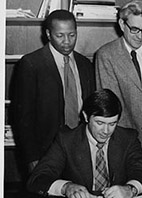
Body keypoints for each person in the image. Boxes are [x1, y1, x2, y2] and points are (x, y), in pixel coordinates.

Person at [13, 9, 95, 172]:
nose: (67, 42)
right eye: (60, 35)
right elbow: (23, 118)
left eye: (72, 35)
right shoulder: (31, 64)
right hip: (46, 151)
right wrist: (32, 157)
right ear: (49, 34)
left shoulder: (85, 64)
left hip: (82, 149)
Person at [27, 89, 142, 198]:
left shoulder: (128, 138)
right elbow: (38, 179)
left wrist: (130, 190)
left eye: (112, 124)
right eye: (99, 123)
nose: (106, 131)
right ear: (86, 117)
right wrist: (67, 187)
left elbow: (141, 171)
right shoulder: (66, 140)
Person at [95, 0, 142, 174]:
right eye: (135, 29)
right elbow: (109, 100)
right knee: (132, 175)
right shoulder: (106, 55)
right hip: (125, 125)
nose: (140, 36)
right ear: (122, 24)